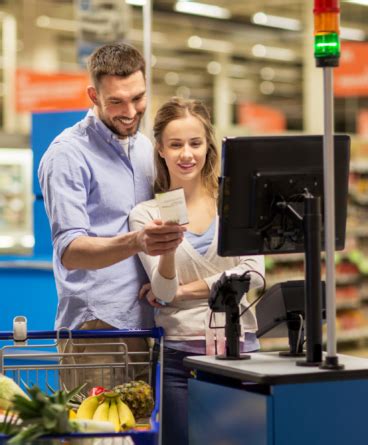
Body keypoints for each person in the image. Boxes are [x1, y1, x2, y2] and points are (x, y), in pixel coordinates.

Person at [37, 43, 185, 389]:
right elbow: (71, 251)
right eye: (116, 101)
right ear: (93, 95)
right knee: (100, 438)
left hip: (148, 326)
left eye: (138, 98)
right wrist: (137, 241)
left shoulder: (145, 147)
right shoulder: (67, 155)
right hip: (97, 332)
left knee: (142, 437)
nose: (131, 111)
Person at [129, 97, 265, 445]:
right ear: (159, 149)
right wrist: (169, 249)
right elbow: (161, 290)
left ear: (208, 145)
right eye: (175, 145)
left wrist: (180, 293)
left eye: (195, 143)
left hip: (241, 351)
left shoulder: (234, 204)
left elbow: (252, 275)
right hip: (179, 358)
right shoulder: (146, 216)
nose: (186, 154)